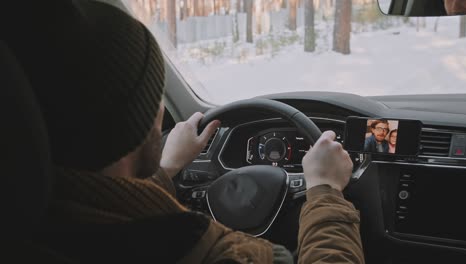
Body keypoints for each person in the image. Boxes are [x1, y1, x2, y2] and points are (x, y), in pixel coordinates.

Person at [7, 1, 364, 263]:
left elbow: (105, 204)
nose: (162, 112)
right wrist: (325, 189)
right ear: (133, 125)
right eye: (154, 99)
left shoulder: (26, 227)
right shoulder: (212, 254)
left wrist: (165, 169)